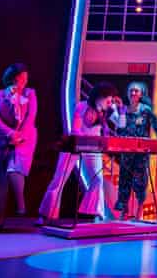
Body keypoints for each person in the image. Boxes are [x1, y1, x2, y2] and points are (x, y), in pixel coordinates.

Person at [37, 82, 125, 225]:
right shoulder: (82, 106)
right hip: (74, 144)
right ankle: (46, 215)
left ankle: (96, 214)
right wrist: (82, 143)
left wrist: (121, 112)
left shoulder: (107, 110)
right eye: (108, 99)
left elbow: (121, 125)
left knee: (97, 180)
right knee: (59, 178)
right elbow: (76, 130)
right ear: (99, 97)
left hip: (94, 147)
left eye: (111, 100)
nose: (110, 103)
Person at [0, 63, 38, 232]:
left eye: (25, 78)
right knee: (0, 179)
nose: (23, 82)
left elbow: (31, 116)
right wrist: (9, 133)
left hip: (25, 138)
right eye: (19, 79)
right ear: (11, 79)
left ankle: (20, 203)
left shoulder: (30, 94)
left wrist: (19, 135)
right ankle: (0, 219)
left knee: (15, 167)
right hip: (3, 138)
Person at [114, 81, 157, 220]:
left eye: (136, 91)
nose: (133, 93)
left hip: (141, 152)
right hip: (126, 151)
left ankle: (139, 211)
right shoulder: (124, 110)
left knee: (140, 181)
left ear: (141, 94)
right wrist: (120, 114)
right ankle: (123, 212)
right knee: (124, 180)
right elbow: (120, 130)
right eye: (131, 90)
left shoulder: (145, 110)